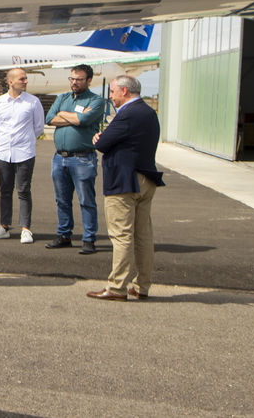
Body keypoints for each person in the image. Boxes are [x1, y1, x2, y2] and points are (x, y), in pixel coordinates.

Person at [87, 75, 165, 301]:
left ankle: (117, 287)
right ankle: (142, 285)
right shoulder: (149, 112)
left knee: (121, 235)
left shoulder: (127, 114)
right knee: (143, 235)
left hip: (124, 182)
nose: (110, 97)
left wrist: (99, 137)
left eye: (112, 92)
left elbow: (102, 143)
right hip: (146, 179)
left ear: (124, 91)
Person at [45, 64, 105, 254]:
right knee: (61, 200)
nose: (74, 83)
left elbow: (84, 121)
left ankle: (88, 239)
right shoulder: (62, 97)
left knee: (86, 200)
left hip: (82, 159)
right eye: (72, 79)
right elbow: (49, 118)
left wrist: (65, 115)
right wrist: (73, 116)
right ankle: (64, 235)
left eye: (79, 79)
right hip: (59, 158)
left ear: (89, 80)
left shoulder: (96, 101)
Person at [0, 67, 44, 244]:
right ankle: (4, 226)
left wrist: (24, 141)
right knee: (5, 190)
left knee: (23, 191)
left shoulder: (33, 102)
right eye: (22, 79)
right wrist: (6, 141)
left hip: (25, 153)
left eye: (25, 78)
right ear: (10, 82)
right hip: (3, 152)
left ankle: (26, 229)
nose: (25, 81)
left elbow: (38, 127)